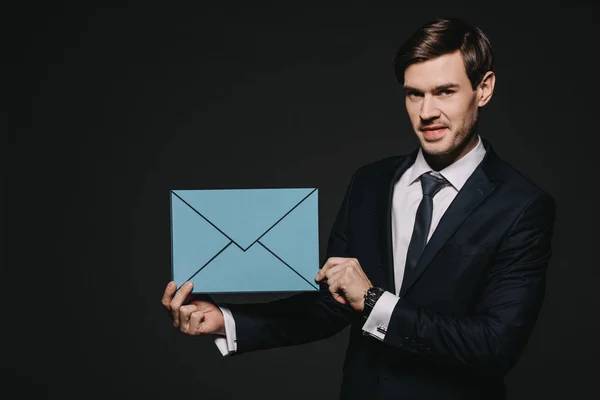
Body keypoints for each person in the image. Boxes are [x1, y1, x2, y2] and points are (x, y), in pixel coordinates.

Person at [161, 16, 556, 400]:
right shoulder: (370, 183)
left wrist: (373, 301)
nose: (426, 112)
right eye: (414, 93)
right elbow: (329, 307)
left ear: (483, 89)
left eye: (445, 92)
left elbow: (493, 346)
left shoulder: (522, 206)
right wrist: (226, 320)